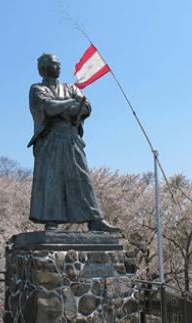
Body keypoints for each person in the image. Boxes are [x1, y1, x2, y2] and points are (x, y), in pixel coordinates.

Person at [28, 53, 120, 232]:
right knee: (51, 179)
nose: (59, 67)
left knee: (81, 177)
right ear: (43, 68)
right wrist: (70, 104)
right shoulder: (37, 88)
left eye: (59, 64)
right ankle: (51, 220)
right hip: (50, 138)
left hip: (71, 137)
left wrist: (61, 107)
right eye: (54, 64)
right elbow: (47, 107)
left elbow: (86, 107)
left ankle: (94, 219)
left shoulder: (70, 87)